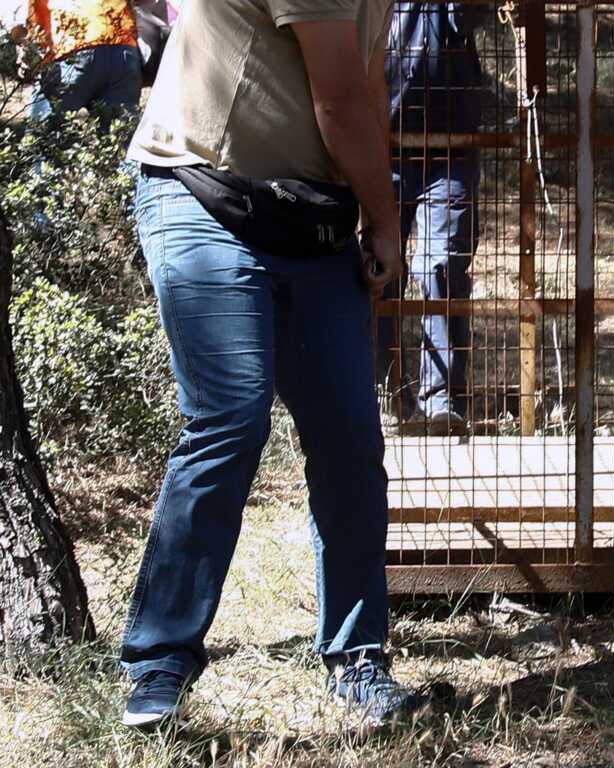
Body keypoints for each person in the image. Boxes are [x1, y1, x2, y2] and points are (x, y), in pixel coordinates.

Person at [118, 0, 417, 729]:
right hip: (202, 192)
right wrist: (385, 220)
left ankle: (358, 659)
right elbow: (339, 102)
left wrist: (366, 210)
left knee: (350, 438)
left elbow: (368, 86)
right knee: (231, 417)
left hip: (308, 216)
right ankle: (159, 660)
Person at [378, 2, 483, 436]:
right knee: (378, 269)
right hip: (383, 143)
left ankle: (442, 400)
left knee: (443, 265)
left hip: (451, 149)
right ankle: (382, 393)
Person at [5, 0, 143, 124]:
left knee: (43, 140)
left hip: (72, 49)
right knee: (121, 140)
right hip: (124, 50)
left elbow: (23, 14)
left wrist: (25, 49)